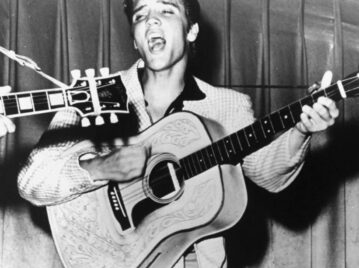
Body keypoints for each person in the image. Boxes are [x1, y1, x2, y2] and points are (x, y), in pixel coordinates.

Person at [18, 0, 339, 267]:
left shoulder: (227, 105)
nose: (152, 22)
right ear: (134, 38)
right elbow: (32, 182)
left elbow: (268, 176)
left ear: (192, 30)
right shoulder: (93, 96)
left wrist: (300, 130)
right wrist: (97, 168)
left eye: (166, 10)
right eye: (141, 15)